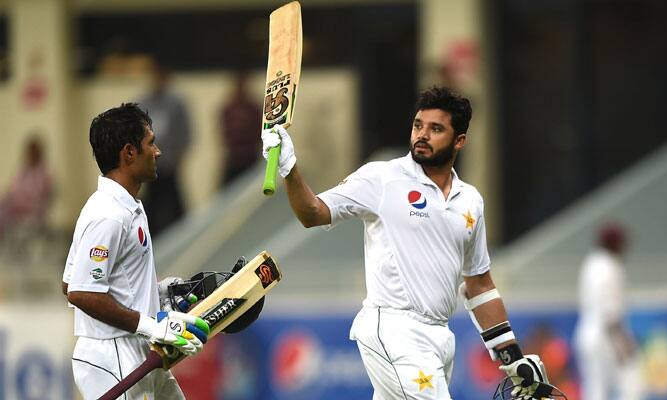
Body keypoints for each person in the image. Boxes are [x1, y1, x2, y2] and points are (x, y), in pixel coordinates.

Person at [262, 86, 554, 399]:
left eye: (436, 129)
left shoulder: (470, 201)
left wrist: (512, 358)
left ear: (460, 141)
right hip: (392, 328)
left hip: (440, 338)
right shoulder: (383, 178)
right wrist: (290, 169)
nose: (422, 135)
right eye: (418, 126)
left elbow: (479, 284)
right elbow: (313, 213)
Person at [61, 103, 208, 399]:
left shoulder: (127, 206)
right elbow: (80, 291)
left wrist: (157, 294)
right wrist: (151, 326)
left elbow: (71, 282)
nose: (158, 152)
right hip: (112, 352)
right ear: (129, 153)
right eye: (150, 143)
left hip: (136, 346)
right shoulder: (108, 215)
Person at [574, 223, 643, 400]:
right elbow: (610, 313)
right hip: (606, 337)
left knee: (595, 390)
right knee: (631, 382)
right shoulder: (609, 266)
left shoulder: (591, 262)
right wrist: (624, 344)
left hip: (586, 332)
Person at [139, 63, 192, 236]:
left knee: (176, 210)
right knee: (150, 211)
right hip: (150, 166)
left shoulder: (176, 104)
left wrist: (178, 159)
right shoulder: (144, 103)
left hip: (169, 166)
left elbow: (184, 134)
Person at [0, 135, 53, 241]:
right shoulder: (22, 170)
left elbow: (40, 197)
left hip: (32, 212)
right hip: (15, 208)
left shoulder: (44, 173)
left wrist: (22, 202)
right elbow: (12, 190)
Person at [219, 72, 262, 185]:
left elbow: (260, 131)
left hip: (250, 156)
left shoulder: (252, 108)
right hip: (234, 156)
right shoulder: (230, 108)